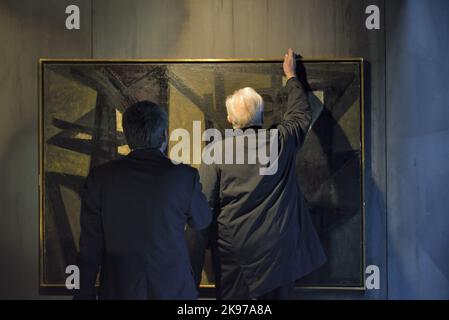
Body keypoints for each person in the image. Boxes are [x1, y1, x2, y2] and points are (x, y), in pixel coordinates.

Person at [196, 48, 326, 299]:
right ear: (261, 114)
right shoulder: (281, 141)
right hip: (278, 254)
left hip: (233, 256)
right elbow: (300, 114)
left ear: (229, 118)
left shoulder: (215, 151)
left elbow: (204, 207)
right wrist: (291, 77)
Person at [74, 101, 211, 300]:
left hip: (120, 290)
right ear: (164, 135)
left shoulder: (101, 177)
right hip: (173, 290)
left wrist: (83, 294)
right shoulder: (184, 176)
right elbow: (202, 220)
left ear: (128, 136)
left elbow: (90, 246)